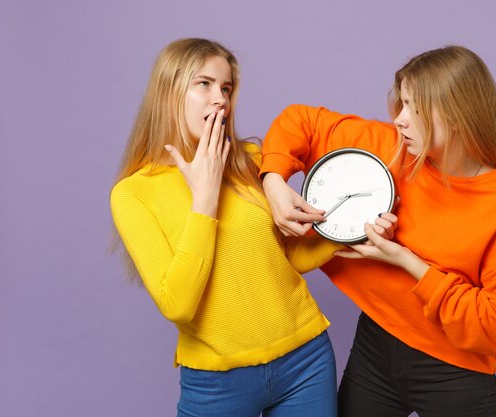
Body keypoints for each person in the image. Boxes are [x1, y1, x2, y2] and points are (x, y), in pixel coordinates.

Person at [260, 45, 496, 417]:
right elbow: (301, 121)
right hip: (375, 349)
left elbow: (495, 327)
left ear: (459, 115)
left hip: (454, 373)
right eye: (402, 103)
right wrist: (273, 180)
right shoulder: (389, 148)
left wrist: (405, 261)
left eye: (415, 108)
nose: (400, 119)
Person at [109, 38, 369, 417]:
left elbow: (290, 254)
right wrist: (205, 195)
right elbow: (178, 304)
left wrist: (355, 223)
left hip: (305, 361)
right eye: (205, 84)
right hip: (217, 383)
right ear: (169, 91)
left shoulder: (250, 160)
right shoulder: (133, 193)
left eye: (226, 88)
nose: (220, 100)